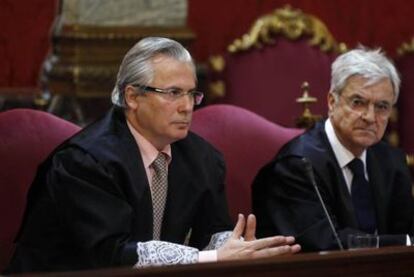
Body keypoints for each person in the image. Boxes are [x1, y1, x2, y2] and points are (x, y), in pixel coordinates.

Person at [5, 37, 300, 274]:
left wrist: (238, 247)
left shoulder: (203, 158)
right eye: (172, 93)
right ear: (132, 97)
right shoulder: (84, 162)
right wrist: (212, 258)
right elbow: (113, 254)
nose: (187, 106)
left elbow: (211, 233)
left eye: (191, 94)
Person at [252, 47, 414, 252]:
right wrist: (405, 243)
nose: (370, 117)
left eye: (382, 106)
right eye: (358, 102)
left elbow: (407, 228)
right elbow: (324, 243)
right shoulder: (296, 166)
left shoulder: (391, 160)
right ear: (331, 101)